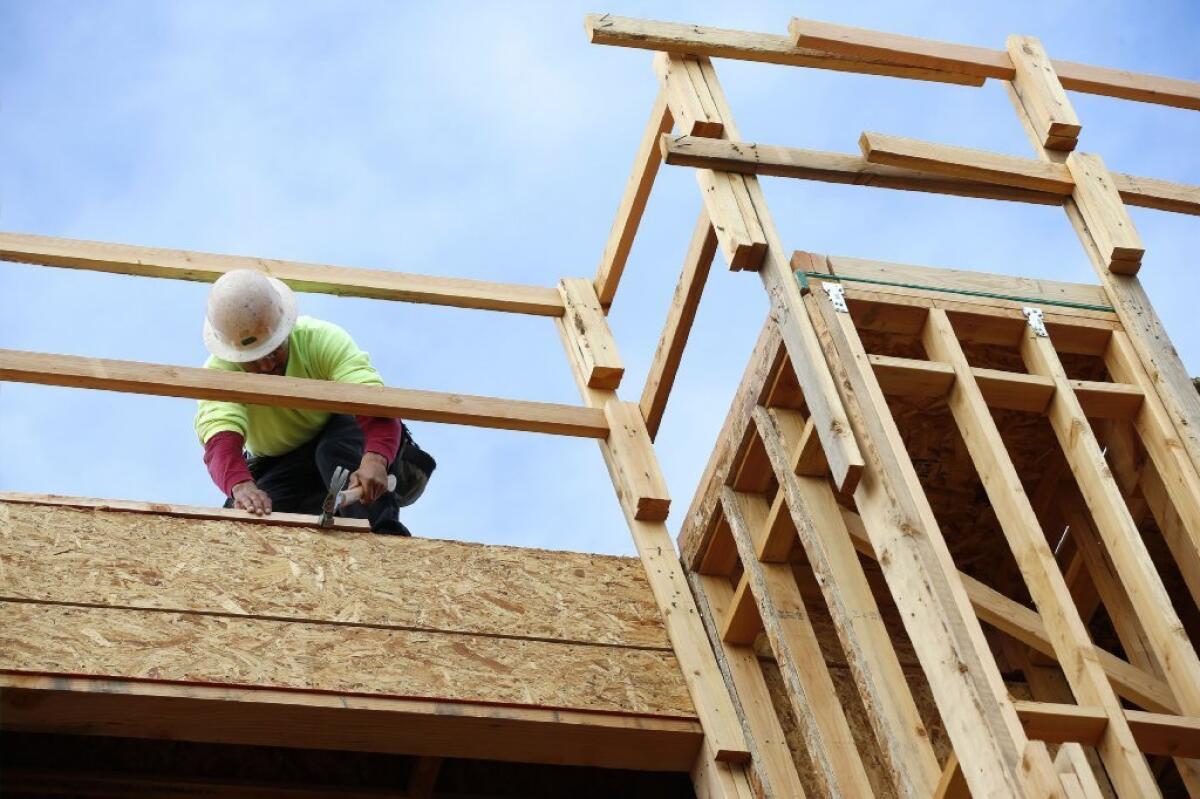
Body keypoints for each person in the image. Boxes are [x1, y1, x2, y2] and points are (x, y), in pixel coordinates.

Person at [194, 269, 434, 534]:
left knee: (332, 451)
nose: (266, 364)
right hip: (279, 461)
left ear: (285, 331)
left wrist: (375, 461)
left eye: (273, 350)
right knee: (252, 517)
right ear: (233, 353)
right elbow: (221, 442)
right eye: (254, 358)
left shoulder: (319, 339)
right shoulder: (219, 373)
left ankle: (383, 540)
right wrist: (242, 487)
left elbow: (373, 404)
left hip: (342, 433)